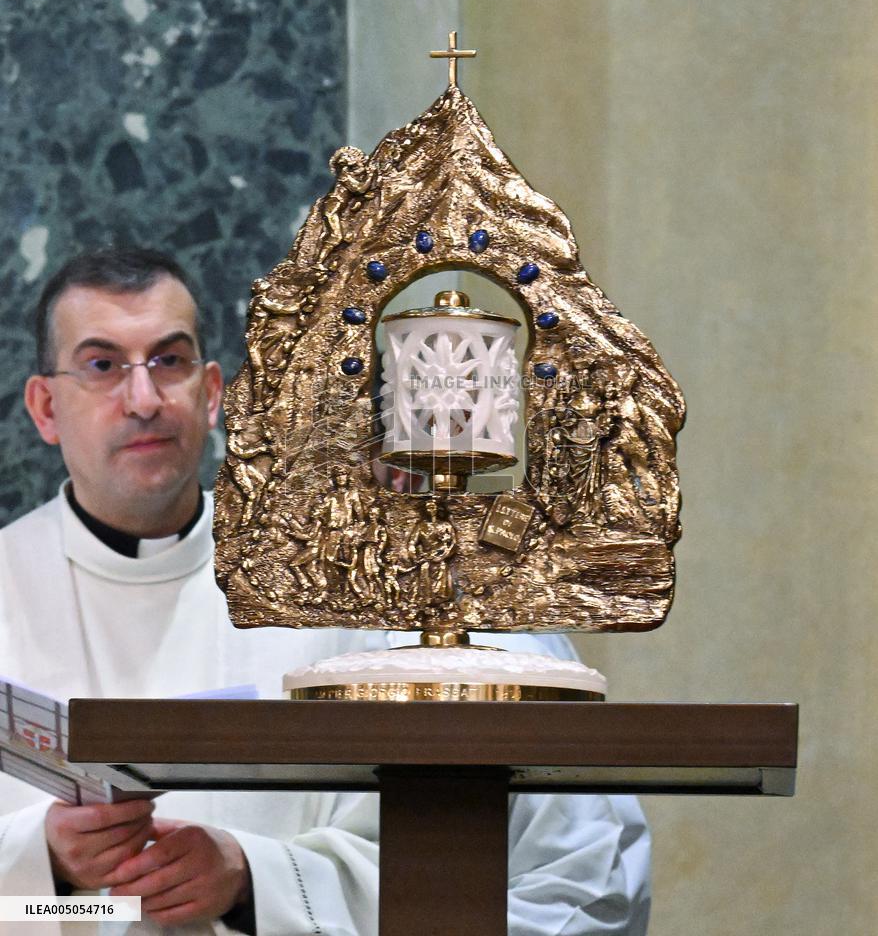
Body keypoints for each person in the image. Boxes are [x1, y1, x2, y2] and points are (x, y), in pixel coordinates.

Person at [0, 248, 651, 935]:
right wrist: (42, 864)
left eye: (169, 360)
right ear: (45, 408)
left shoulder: (356, 573)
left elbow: (581, 864)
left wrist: (253, 880)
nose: (143, 400)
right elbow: (46, 909)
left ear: (212, 394)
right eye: (102, 366)